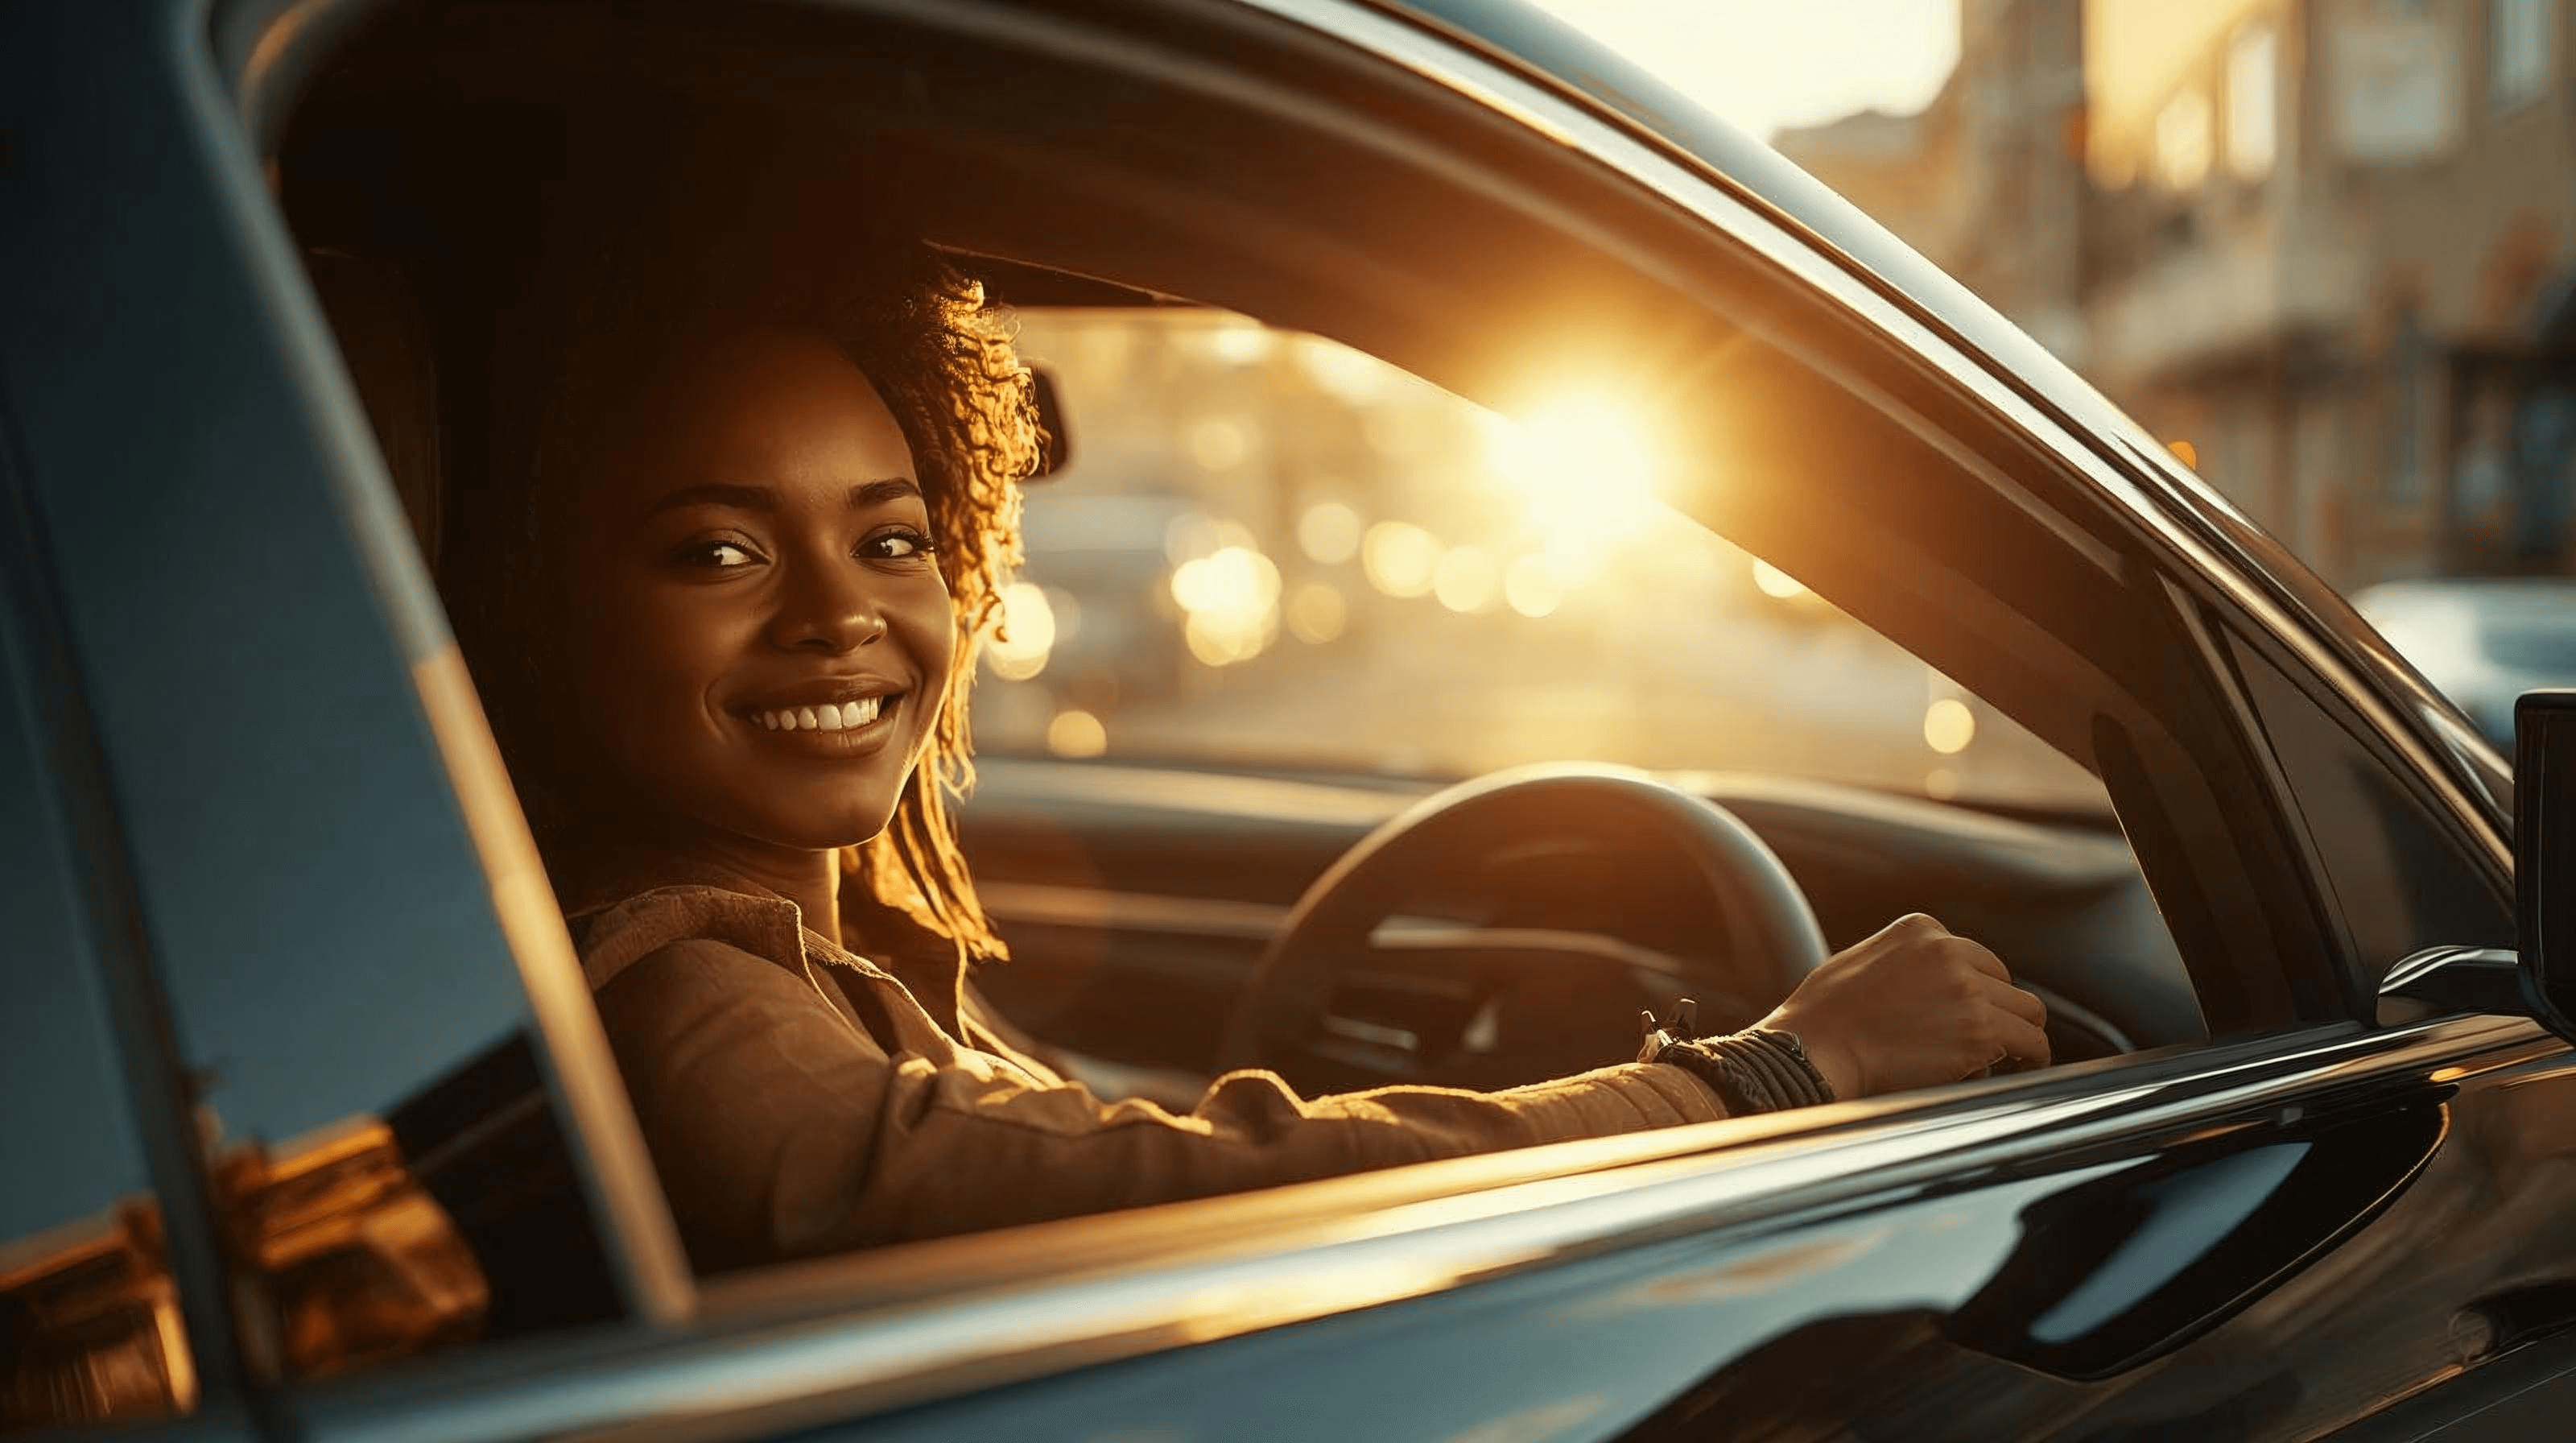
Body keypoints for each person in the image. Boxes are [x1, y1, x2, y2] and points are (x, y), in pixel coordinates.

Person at [443, 132, 2050, 1274]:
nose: (839, 613)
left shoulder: (842, 953)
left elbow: (1107, 1128)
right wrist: (1765, 1074)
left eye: (892, 538)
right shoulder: (665, 998)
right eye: (719, 551)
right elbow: (1160, 1187)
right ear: (546, 612)